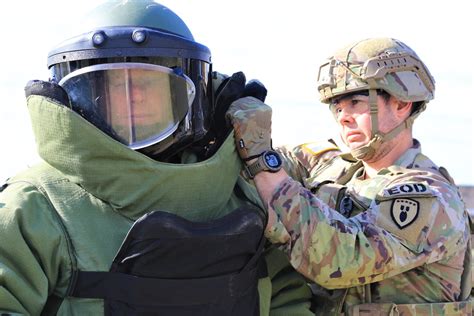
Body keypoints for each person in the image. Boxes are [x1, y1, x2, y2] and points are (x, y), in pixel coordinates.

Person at [0, 1, 313, 315]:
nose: (134, 97)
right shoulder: (37, 206)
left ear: (189, 96)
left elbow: (287, 297)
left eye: (149, 83)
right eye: (116, 85)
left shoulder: (242, 192)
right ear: (85, 94)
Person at [226, 37, 471, 315]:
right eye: (338, 107)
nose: (343, 117)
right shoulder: (330, 167)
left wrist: (260, 156)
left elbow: (340, 259)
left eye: (355, 102)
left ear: (402, 103)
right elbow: (262, 172)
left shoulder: (429, 198)